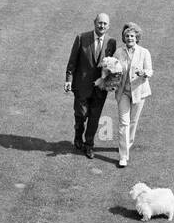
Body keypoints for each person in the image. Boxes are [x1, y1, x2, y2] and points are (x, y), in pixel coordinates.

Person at [64, 13, 116, 157]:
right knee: (81, 115)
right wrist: (68, 80)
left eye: (105, 24)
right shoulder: (82, 38)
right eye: (100, 23)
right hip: (82, 86)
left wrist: (112, 81)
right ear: (94, 23)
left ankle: (89, 145)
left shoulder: (111, 42)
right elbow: (72, 62)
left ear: (108, 26)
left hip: (100, 89)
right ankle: (77, 136)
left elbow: (113, 65)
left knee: (94, 118)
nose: (102, 26)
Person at [114, 22, 152, 169]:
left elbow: (150, 70)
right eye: (127, 36)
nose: (130, 38)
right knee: (124, 122)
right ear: (124, 38)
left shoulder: (144, 52)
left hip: (139, 92)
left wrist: (144, 73)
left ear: (137, 38)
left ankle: (128, 143)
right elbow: (114, 68)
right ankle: (123, 156)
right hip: (123, 92)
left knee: (133, 122)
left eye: (132, 36)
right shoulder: (118, 52)